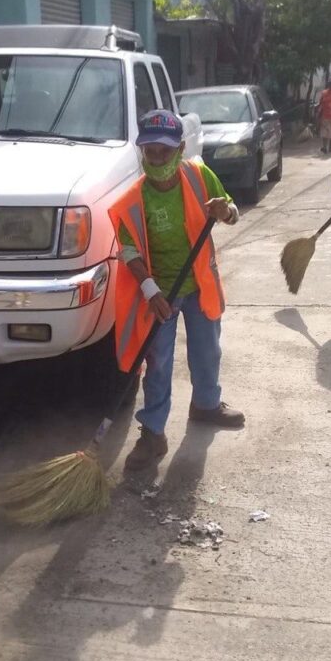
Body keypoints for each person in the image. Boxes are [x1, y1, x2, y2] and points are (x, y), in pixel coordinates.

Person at [109, 109, 245, 472]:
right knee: (158, 363)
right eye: (149, 151)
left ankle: (206, 404)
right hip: (159, 293)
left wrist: (225, 211)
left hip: (198, 284)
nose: (155, 159)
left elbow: (232, 211)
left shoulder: (199, 176)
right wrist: (151, 291)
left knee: (207, 350)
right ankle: (153, 433)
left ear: (181, 148)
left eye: (164, 152)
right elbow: (129, 250)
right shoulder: (133, 200)